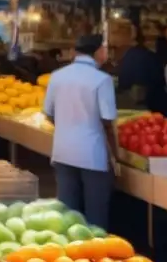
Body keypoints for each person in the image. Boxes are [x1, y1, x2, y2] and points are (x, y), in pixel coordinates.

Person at [43, 34, 119, 229]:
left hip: (62, 150)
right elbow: (108, 121)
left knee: (67, 213)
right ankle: (95, 254)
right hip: (92, 154)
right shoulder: (102, 80)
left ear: (75, 52)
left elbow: (48, 113)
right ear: (99, 52)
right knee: (96, 215)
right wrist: (116, 155)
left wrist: (67, 127)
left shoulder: (57, 76)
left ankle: (68, 254)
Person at [116, 24, 167, 114]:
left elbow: (125, 81)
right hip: (152, 101)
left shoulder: (136, 55)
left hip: (142, 103)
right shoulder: (144, 54)